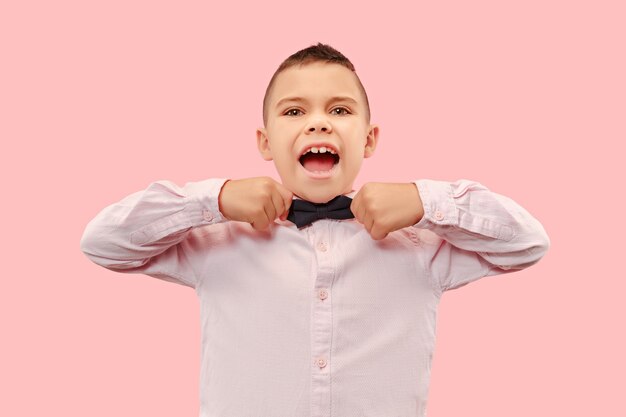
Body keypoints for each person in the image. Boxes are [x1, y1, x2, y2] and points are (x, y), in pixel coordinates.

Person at [80, 42, 550, 417]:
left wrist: (426, 200)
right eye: (294, 112)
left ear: (369, 140)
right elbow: (103, 243)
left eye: (341, 111)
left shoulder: (421, 247)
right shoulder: (219, 243)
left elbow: (527, 243)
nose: (319, 122)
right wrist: (214, 198)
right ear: (266, 142)